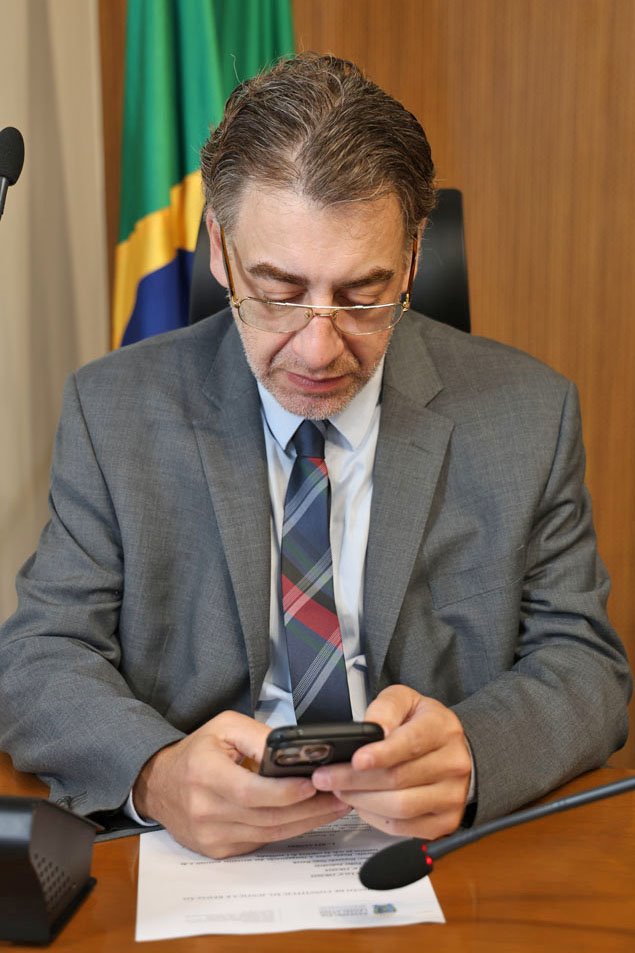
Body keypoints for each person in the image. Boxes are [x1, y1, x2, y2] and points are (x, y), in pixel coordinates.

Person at [0, 53, 630, 860]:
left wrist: (474, 753)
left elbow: (584, 664)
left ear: (411, 258)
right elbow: (40, 655)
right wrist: (154, 772)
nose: (318, 348)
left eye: (363, 295)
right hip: (195, 853)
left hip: (435, 853)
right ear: (221, 251)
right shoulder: (113, 411)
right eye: (278, 292)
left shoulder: (527, 416)